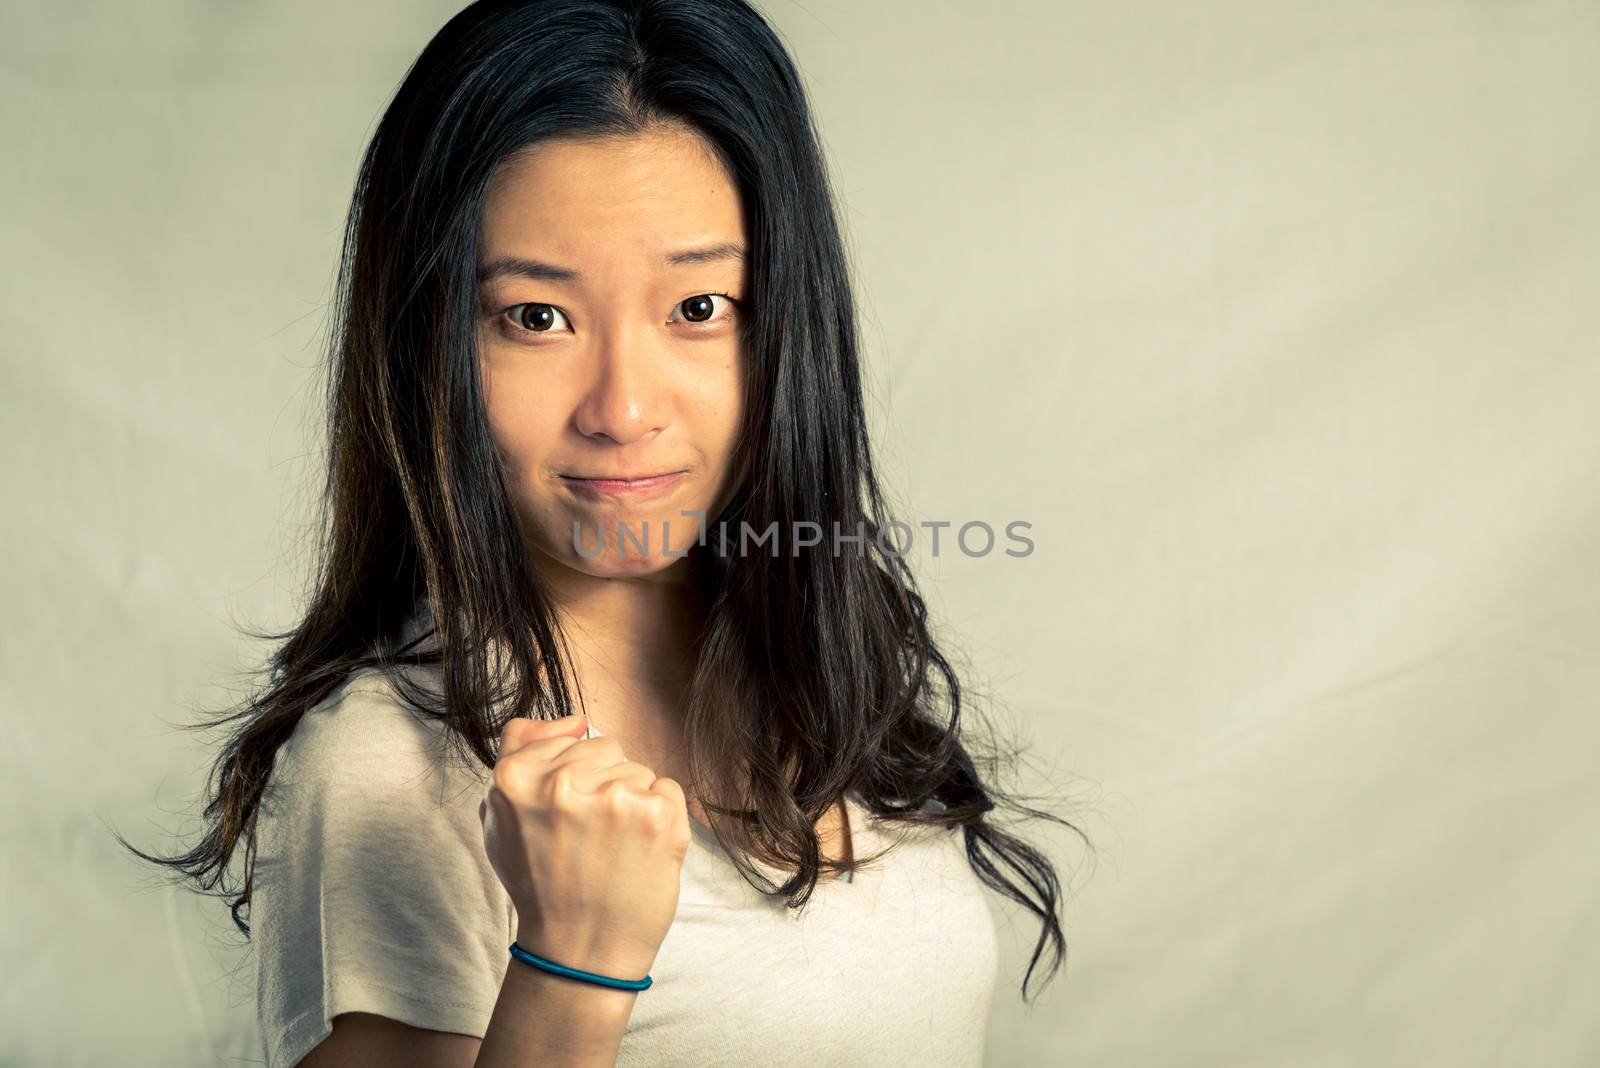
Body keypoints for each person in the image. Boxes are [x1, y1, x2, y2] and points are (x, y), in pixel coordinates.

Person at [121, 1, 1084, 1064]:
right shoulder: (391, 773)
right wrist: (574, 962)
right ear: (428, 346)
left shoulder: (820, 670)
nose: (623, 409)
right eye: (536, 318)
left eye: (699, 308)